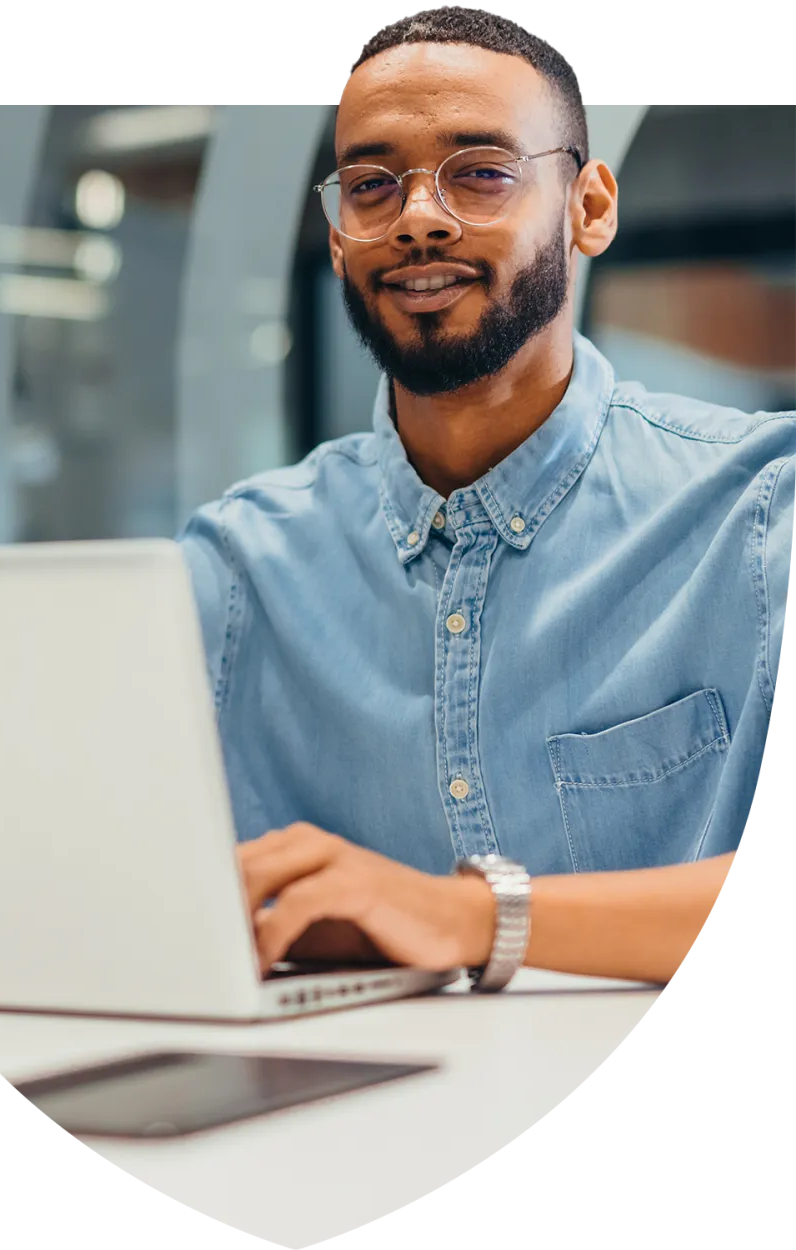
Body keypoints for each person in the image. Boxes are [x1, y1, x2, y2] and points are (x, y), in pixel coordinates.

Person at [177, 10, 793, 988]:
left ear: (587, 207)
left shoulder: (763, 509)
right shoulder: (235, 566)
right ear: (339, 238)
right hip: (328, 1122)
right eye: (372, 186)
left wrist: (468, 915)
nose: (418, 215)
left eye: (480, 171)